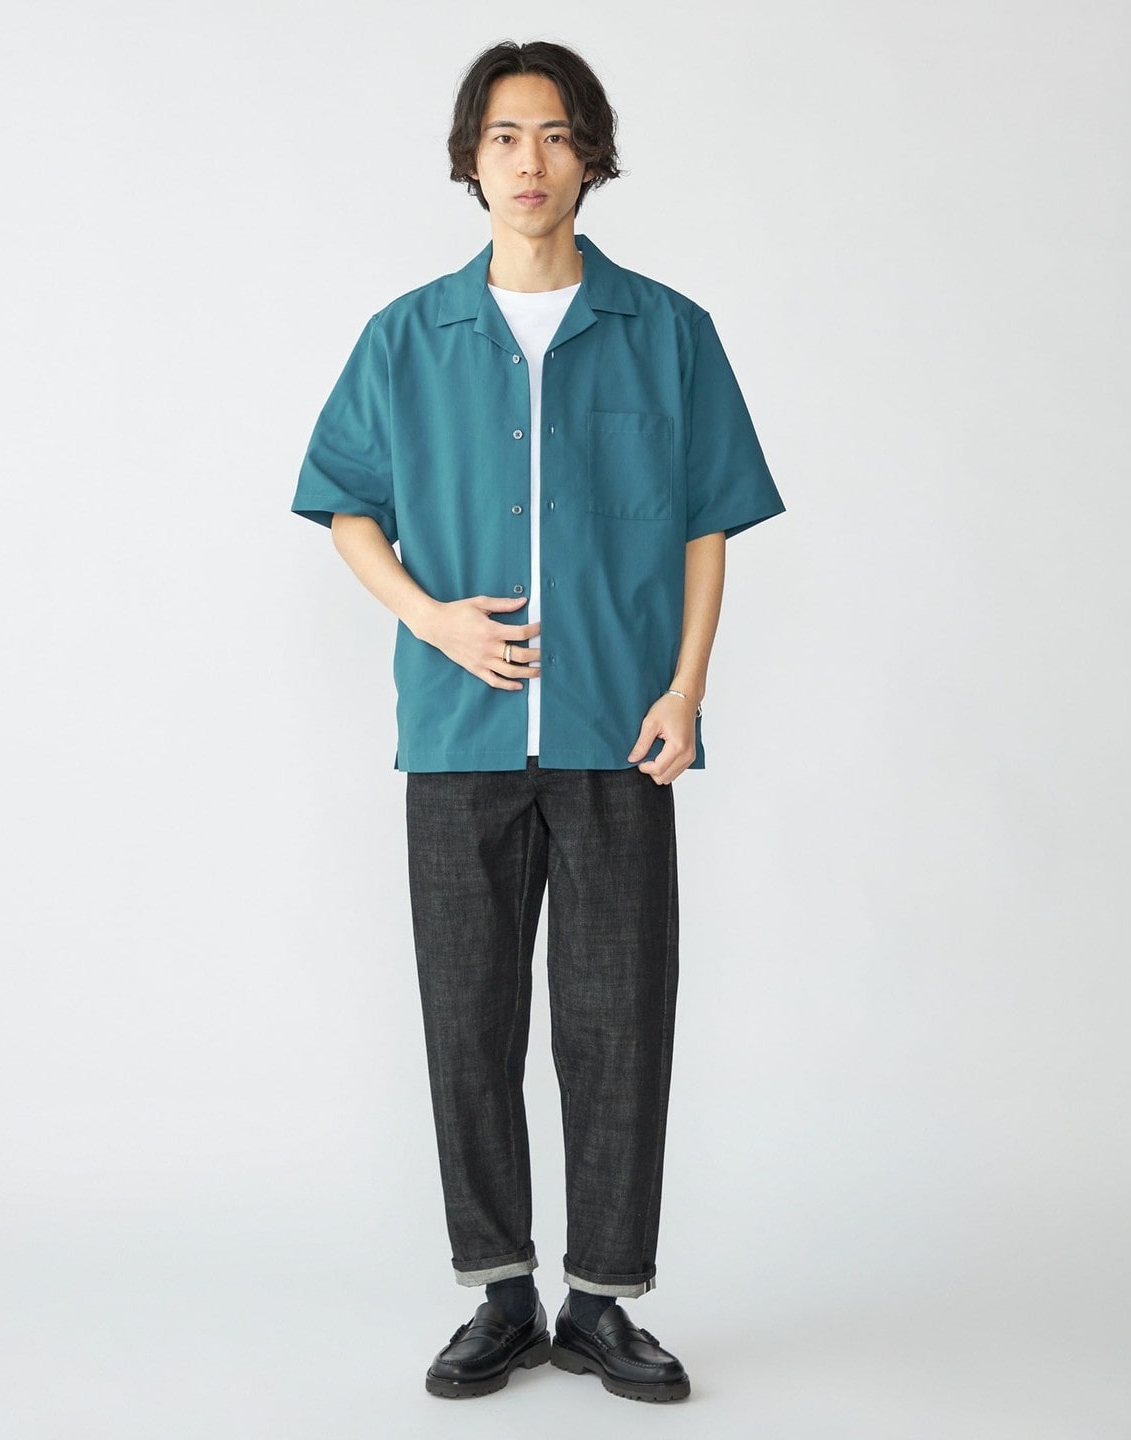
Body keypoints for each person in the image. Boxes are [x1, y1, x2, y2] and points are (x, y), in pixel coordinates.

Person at [291, 38, 785, 1404]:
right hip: (458, 735)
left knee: (619, 1023)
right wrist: (431, 618)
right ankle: (500, 1294)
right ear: (471, 158)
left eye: (557, 135)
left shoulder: (668, 332)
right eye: (505, 136)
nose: (530, 160)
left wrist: (686, 686)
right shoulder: (406, 337)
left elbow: (706, 524)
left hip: (619, 731)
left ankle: (604, 1304)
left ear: (591, 157)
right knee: (468, 1020)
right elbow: (346, 505)